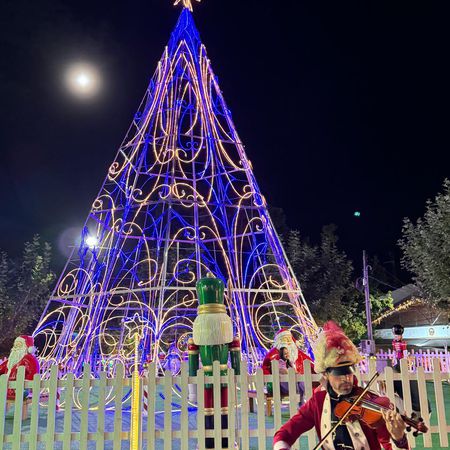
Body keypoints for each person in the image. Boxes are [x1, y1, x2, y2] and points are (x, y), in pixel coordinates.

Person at [273, 321, 410, 450]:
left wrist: (399, 439)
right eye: (339, 373)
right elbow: (285, 433)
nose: (346, 378)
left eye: (349, 372)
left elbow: (389, 444)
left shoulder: (369, 402)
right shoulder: (318, 402)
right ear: (325, 374)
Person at [263, 329, 313, 396]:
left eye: (289, 339)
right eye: (285, 339)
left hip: (299, 380)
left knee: (302, 383)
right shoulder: (273, 355)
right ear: (279, 341)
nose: (288, 342)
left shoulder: (298, 353)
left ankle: (302, 395)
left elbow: (311, 363)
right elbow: (265, 368)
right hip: (282, 384)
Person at [0, 335, 40, 400]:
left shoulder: (29, 359)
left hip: (20, 388)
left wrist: (28, 384)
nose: (16, 347)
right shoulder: (11, 361)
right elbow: (1, 368)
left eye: (19, 344)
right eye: (15, 344)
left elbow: (33, 373)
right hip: (6, 387)